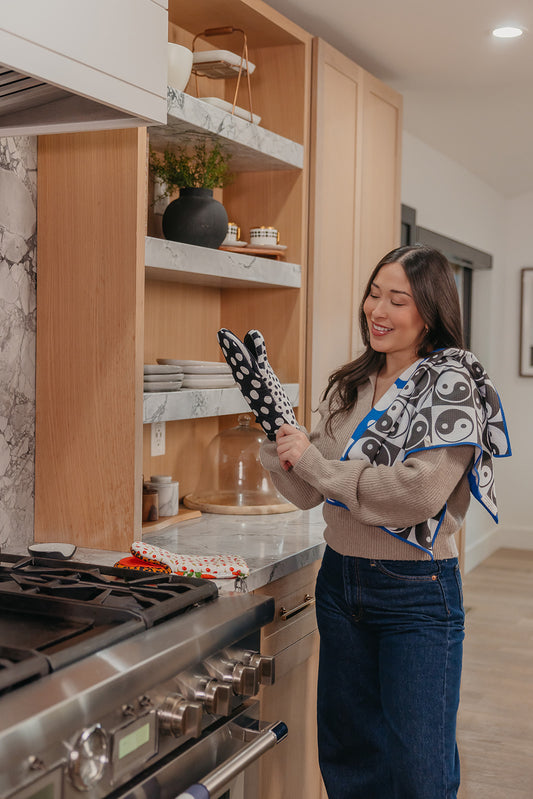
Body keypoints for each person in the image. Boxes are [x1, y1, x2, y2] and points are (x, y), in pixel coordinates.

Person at [259, 244, 511, 799]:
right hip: (341, 580)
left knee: (420, 771)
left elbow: (417, 492)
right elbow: (306, 490)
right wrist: (274, 432)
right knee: (350, 760)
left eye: (398, 299)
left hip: (417, 593)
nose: (378, 309)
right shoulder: (350, 384)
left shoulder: (454, 385)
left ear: (430, 312)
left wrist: (320, 465)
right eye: (375, 293)